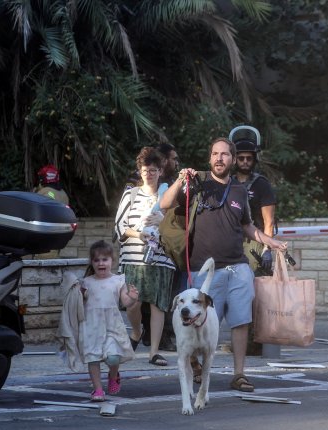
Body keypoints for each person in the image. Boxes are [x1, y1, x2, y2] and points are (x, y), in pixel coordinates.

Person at [159, 138, 288, 392]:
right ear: (210, 158)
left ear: (232, 158)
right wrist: (179, 179)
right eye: (215, 154)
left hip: (238, 267)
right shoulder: (197, 182)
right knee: (199, 321)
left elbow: (246, 226)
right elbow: (164, 204)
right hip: (204, 270)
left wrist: (269, 241)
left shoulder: (240, 190)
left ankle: (239, 374)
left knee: (241, 321)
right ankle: (195, 362)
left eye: (225, 155)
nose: (219, 159)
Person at [115, 147, 177, 367]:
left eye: (153, 170)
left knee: (158, 305)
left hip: (161, 257)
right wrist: (138, 234)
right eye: (145, 170)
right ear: (139, 171)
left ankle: (153, 352)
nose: (149, 174)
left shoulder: (169, 194)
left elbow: (178, 226)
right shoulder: (130, 194)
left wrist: (162, 221)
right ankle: (136, 331)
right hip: (133, 258)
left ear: (161, 171)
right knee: (132, 302)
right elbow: (119, 226)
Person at [78, 240, 139, 401]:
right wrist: (78, 295)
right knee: (93, 358)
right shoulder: (87, 282)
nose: (101, 263)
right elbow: (79, 303)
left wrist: (132, 298)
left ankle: (113, 375)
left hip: (112, 324)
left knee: (113, 357)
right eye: (97, 260)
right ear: (92, 262)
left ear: (112, 260)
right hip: (92, 325)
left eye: (105, 259)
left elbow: (125, 302)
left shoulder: (117, 280)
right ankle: (98, 390)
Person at [233, 138, 277, 274]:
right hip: (232, 241)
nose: (245, 161)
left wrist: (266, 249)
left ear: (254, 160)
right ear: (235, 160)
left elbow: (269, 221)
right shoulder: (229, 182)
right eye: (241, 158)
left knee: (253, 282)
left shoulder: (261, 184)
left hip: (254, 241)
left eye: (249, 158)